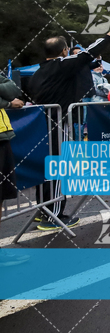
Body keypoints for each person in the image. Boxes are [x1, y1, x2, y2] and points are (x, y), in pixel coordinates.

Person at [28, 22, 110, 230]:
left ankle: (42, 210)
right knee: (56, 167)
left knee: (47, 167)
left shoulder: (38, 73)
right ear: (63, 51)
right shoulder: (62, 66)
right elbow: (89, 52)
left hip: (41, 123)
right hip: (56, 123)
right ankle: (53, 216)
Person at [0, 70, 28, 267]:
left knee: (1, 195)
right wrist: (8, 103)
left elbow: (13, 88)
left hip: (2, 137)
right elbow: (10, 96)